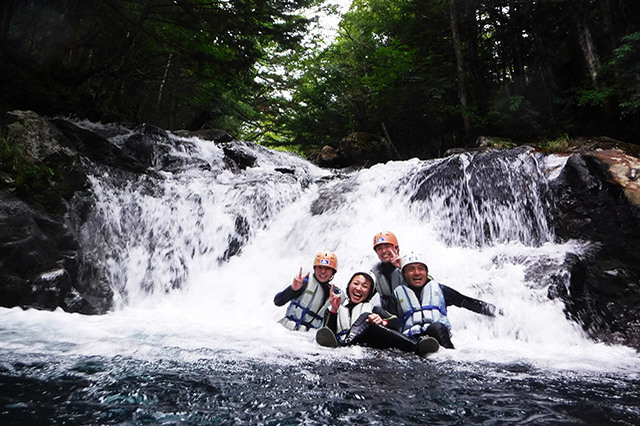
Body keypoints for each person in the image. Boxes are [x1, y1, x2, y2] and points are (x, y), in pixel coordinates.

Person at [392, 251, 501, 349]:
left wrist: (499, 313)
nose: (417, 273)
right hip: (411, 341)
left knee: (436, 327)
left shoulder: (440, 290)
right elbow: (388, 320)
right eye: (411, 269)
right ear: (403, 275)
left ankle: (451, 356)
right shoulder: (397, 295)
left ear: (426, 272)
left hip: (438, 337)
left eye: (421, 268)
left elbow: (468, 302)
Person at [315, 271, 440, 357]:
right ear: (349, 287)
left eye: (365, 286)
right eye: (356, 283)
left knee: (367, 318)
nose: (359, 288)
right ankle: (416, 347)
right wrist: (334, 310)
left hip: (366, 344)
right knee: (364, 317)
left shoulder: (374, 309)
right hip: (344, 347)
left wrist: (382, 321)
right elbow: (326, 334)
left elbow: (397, 323)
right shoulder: (335, 309)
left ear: (369, 292)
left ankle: (417, 347)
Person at [274, 251, 342, 331]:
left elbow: (331, 330)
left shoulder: (334, 296)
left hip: (307, 338)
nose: (323, 271)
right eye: (320, 267)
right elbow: (277, 301)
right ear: (315, 268)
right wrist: (292, 290)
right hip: (286, 330)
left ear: (333, 272)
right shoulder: (303, 283)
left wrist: (334, 309)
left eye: (327, 268)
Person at [371, 231, 403, 311]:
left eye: (387, 246)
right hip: (388, 314)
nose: (383, 251)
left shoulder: (409, 265)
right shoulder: (376, 271)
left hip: (409, 312)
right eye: (379, 248)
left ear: (396, 248)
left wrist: (404, 268)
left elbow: (427, 283)